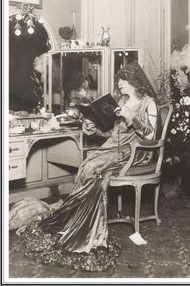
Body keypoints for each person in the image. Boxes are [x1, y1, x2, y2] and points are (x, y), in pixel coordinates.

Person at [19, 61, 159, 271]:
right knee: (86, 165)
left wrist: (132, 117)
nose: (119, 83)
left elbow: (150, 136)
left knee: (91, 168)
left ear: (133, 81)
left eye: (122, 79)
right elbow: (113, 135)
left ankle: (82, 228)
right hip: (115, 149)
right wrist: (93, 129)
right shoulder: (122, 100)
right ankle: (74, 220)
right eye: (118, 80)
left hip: (135, 154)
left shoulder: (148, 103)